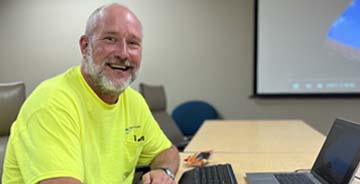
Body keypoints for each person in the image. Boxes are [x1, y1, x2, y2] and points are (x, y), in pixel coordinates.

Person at [2, 3, 179, 184]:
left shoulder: (134, 101)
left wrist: (163, 172)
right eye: (110, 39)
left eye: (133, 43)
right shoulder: (51, 103)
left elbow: (167, 152)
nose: (123, 53)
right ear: (85, 46)